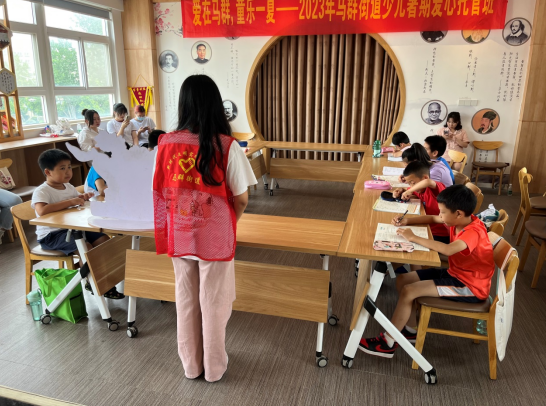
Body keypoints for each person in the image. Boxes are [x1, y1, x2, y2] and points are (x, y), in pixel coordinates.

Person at [153, 75, 257, 382]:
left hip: (180, 232)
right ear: (215, 104)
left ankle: (191, 366)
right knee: (214, 302)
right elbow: (241, 199)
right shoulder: (226, 145)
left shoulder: (165, 143)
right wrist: (227, 224)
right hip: (214, 236)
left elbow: (160, 190)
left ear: (183, 104)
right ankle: (213, 368)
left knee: (186, 301)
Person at [359, 185, 494, 357]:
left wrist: (413, 237)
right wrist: (407, 221)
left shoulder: (473, 232)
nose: (440, 215)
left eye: (443, 212)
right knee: (403, 280)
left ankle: (388, 342)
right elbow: (432, 218)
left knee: (409, 290)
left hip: (470, 287)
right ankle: (410, 329)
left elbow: (448, 250)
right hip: (456, 274)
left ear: (458, 213)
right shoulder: (459, 220)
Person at [31, 149, 124, 299]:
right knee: (85, 248)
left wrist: (83, 197)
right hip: (52, 235)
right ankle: (93, 282)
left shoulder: (68, 186)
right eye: (62, 168)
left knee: (104, 241)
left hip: (73, 229)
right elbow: (41, 210)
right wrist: (70, 201)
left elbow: (75, 202)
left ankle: (105, 280)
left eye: (69, 167)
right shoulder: (42, 191)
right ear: (48, 172)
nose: (68, 171)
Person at [392, 161, 450, 245]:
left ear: (425, 178)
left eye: (413, 183)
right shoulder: (419, 190)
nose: (412, 187)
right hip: (426, 225)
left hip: (440, 234)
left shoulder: (436, 189)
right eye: (409, 184)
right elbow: (408, 189)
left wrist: (409, 191)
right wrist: (401, 190)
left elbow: (428, 182)